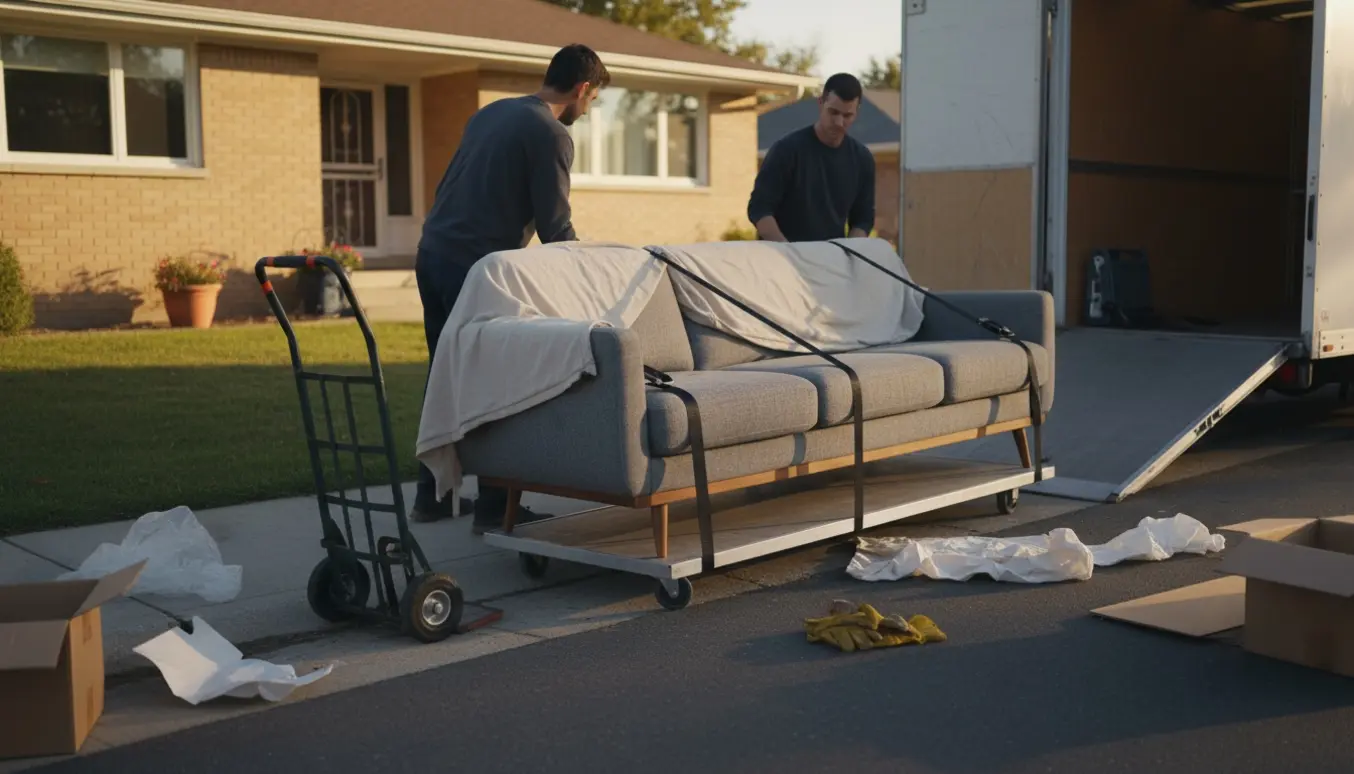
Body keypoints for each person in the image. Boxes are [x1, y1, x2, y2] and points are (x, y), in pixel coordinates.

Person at [411, 43, 610, 533]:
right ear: (582, 89)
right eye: (595, 98)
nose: (590, 109)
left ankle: (432, 498)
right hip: (473, 269)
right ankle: (494, 508)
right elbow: (555, 228)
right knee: (495, 379)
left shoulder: (493, 113)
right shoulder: (551, 134)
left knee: (446, 375)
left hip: (431, 254)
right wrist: (595, 276)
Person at [746, 72, 876, 243]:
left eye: (847, 116)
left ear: (856, 112)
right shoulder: (787, 150)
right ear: (821, 103)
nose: (839, 122)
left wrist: (850, 252)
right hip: (782, 258)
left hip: (830, 260)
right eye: (833, 112)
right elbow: (759, 209)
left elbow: (863, 219)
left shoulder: (862, 159)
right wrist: (789, 251)